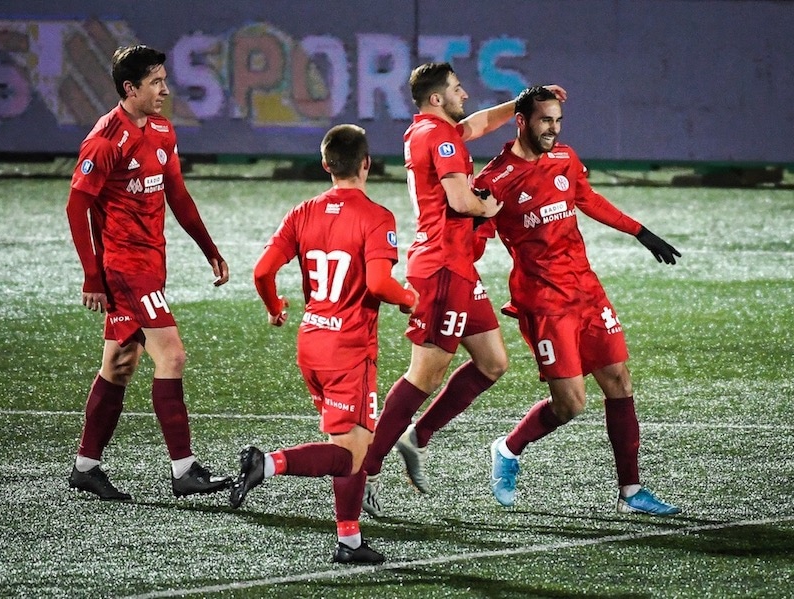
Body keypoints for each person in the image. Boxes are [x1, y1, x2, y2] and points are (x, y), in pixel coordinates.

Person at [360, 62, 565, 517]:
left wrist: (522, 101)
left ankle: (417, 437)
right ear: (437, 98)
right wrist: (488, 207)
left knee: (492, 362)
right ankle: (365, 471)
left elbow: (480, 123)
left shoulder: (427, 129)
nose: (464, 94)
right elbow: (460, 200)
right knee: (424, 376)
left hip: (458, 269)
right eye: (456, 89)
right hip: (441, 270)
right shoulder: (441, 137)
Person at [473, 85, 682, 515]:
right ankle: (508, 449)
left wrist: (640, 232)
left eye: (558, 121)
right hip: (544, 302)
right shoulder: (494, 180)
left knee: (619, 381)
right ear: (521, 121)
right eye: (545, 120)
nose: (553, 129)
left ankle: (630, 492)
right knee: (570, 403)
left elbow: (588, 200)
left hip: (586, 291)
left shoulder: (564, 158)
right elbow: (473, 241)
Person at [229, 124, 418, 564]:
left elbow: (262, 271)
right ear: (367, 164)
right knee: (351, 455)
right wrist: (411, 299)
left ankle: (349, 541)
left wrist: (275, 306)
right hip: (349, 350)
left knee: (348, 446)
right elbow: (379, 283)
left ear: (325, 164)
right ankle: (267, 463)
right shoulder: (377, 217)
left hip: (311, 342)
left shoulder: (303, 212)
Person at [65, 45, 232, 501]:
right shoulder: (104, 140)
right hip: (124, 269)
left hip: (151, 266)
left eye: (164, 80)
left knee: (120, 365)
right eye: (156, 82)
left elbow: (177, 194)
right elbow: (77, 207)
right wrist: (92, 277)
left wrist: (209, 249)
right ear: (130, 88)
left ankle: (86, 466)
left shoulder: (161, 129)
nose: (165, 89)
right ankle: (184, 469)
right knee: (172, 355)